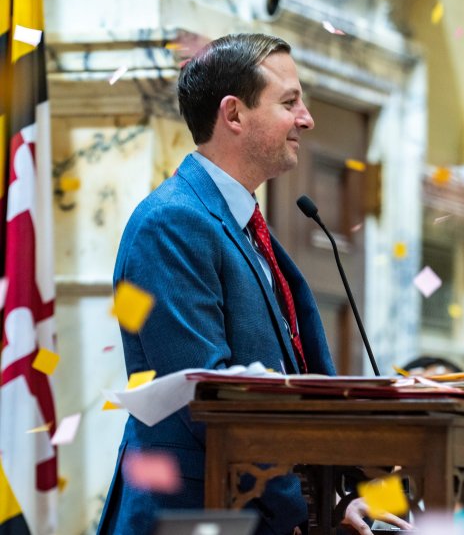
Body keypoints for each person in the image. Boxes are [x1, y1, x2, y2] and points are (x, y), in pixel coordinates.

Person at [97, 33, 412, 535]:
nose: (306, 118)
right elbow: (212, 402)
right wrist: (308, 511)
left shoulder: (243, 225)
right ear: (234, 114)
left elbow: (297, 391)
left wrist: (339, 497)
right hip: (197, 518)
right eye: (290, 102)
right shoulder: (173, 223)